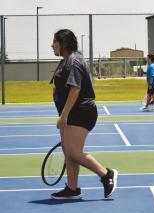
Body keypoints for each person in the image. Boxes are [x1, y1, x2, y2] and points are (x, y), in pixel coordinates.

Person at [50, 29, 118, 200]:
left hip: (81, 112)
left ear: (63, 43)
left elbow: (75, 89)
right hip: (71, 113)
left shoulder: (73, 61)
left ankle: (106, 174)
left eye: (55, 42)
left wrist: (64, 115)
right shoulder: (66, 61)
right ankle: (72, 189)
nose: (52, 45)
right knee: (69, 152)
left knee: (73, 152)